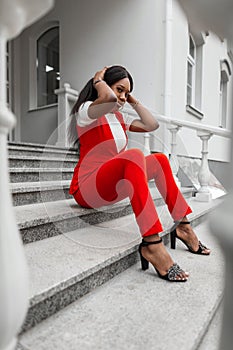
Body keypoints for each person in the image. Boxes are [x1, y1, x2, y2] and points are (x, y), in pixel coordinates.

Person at [68, 65, 211, 282]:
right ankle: (152, 244)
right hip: (88, 188)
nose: (123, 97)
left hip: (111, 187)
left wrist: (131, 100)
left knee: (160, 160)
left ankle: (183, 226)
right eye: (119, 89)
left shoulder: (118, 118)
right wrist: (99, 82)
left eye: (127, 92)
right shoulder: (87, 110)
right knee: (134, 154)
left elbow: (151, 124)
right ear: (104, 85)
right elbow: (106, 98)